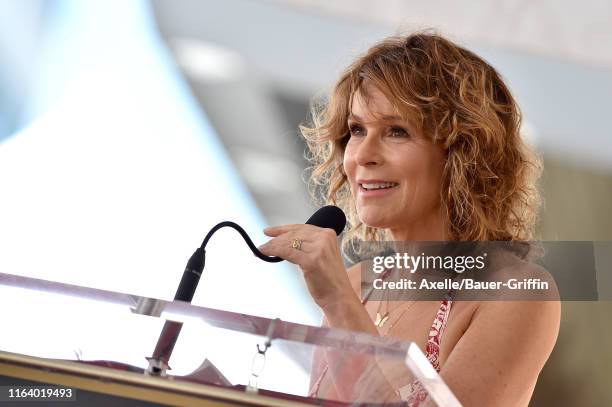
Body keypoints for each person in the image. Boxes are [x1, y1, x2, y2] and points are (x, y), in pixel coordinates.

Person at [258, 31, 560, 406]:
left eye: (396, 131)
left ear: (461, 154)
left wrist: (337, 302)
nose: (362, 155)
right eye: (357, 130)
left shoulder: (516, 292)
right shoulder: (356, 285)